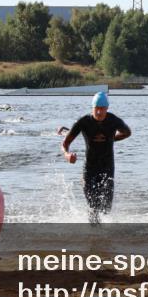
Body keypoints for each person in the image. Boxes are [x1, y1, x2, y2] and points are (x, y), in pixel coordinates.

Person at [61, 91, 131, 224]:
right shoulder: (83, 122)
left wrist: (111, 139)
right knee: (93, 206)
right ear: (92, 108)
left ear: (107, 108)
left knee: (105, 208)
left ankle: (100, 241)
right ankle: (93, 235)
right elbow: (65, 143)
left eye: (102, 109)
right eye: (96, 109)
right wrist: (67, 154)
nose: (99, 112)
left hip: (107, 167)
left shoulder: (114, 121)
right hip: (89, 168)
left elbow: (127, 133)